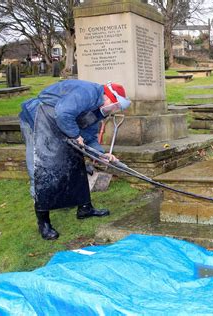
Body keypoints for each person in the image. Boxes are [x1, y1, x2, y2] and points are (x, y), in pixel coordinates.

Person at [19, 79, 130, 240]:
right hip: (37, 120)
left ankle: (85, 208)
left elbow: (90, 136)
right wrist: (75, 135)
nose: (113, 111)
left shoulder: (97, 110)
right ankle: (43, 222)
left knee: (76, 162)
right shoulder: (88, 93)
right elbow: (63, 113)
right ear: (107, 98)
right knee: (42, 168)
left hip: (58, 124)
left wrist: (101, 154)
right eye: (115, 106)